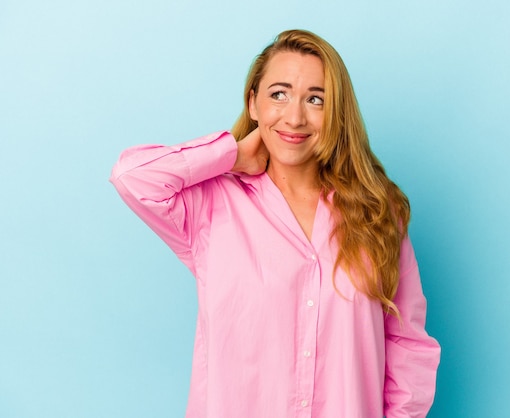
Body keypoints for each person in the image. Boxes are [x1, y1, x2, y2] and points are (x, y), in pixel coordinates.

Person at [111, 29, 440, 418]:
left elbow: (406, 343)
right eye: (278, 94)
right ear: (253, 103)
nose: (295, 117)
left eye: (315, 99)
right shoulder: (212, 206)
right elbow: (132, 177)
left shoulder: (376, 212)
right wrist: (229, 154)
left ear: (336, 112)